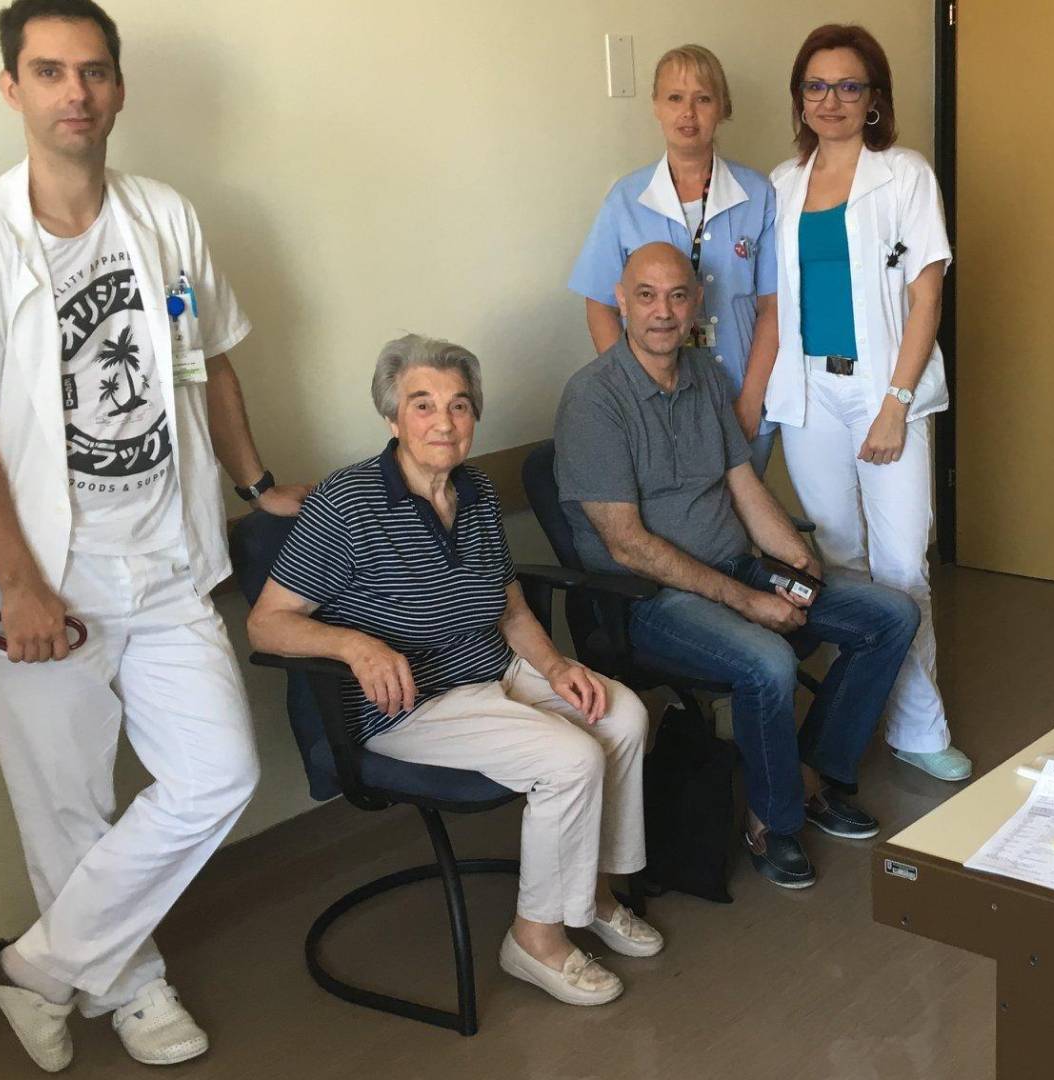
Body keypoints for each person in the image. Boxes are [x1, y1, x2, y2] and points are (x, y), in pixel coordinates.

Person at [0, 1, 308, 1070]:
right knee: (65, 807)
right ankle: (132, 986)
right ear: (12, 88)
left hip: (163, 558)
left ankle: (33, 970)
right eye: (49, 71)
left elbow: (211, 358)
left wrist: (256, 482)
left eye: (93, 71)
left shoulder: (164, 216)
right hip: (38, 579)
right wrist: (21, 584)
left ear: (118, 86)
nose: (74, 93)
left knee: (217, 774)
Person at [247, 334, 658, 1008]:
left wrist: (556, 666)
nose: (444, 422)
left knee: (622, 714)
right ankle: (535, 940)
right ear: (392, 418)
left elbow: (508, 603)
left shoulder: (476, 491)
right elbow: (266, 623)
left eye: (459, 405)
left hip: (491, 670)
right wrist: (356, 646)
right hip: (410, 703)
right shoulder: (346, 504)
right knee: (571, 758)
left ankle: (593, 894)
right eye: (423, 404)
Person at [554, 243, 921, 890]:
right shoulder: (593, 399)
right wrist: (748, 601)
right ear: (621, 301)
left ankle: (812, 776)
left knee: (889, 615)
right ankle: (772, 822)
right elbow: (627, 546)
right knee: (768, 661)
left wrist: (797, 561)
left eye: (677, 296)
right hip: (649, 600)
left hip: (735, 567)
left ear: (696, 303)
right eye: (647, 296)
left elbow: (743, 485)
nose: (663, 312)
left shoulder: (701, 374)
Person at [765, 24, 970, 783]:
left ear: (874, 97)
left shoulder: (905, 174)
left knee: (902, 564)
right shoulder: (782, 184)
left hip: (884, 387)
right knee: (840, 559)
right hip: (808, 391)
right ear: (800, 98)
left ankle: (918, 728)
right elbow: (769, 301)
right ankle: (854, 718)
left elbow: (927, 298)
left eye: (849, 86)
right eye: (816, 86)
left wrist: (895, 402)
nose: (832, 100)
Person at [569, 44, 782, 473]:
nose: (688, 112)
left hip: (740, 391)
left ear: (722, 108)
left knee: (744, 509)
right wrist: (632, 391)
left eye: (703, 98)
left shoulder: (758, 195)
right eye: (674, 98)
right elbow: (599, 304)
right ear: (656, 106)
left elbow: (773, 308)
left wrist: (749, 401)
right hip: (655, 399)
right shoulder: (626, 200)